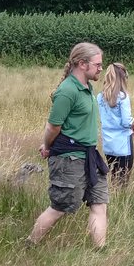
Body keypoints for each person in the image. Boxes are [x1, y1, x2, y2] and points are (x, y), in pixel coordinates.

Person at [29, 43, 109, 248]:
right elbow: (53, 126)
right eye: (97, 64)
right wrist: (46, 146)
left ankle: (100, 251)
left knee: (99, 204)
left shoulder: (87, 87)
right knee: (60, 207)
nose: (101, 68)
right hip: (69, 159)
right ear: (82, 64)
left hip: (90, 156)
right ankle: (30, 245)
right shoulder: (67, 91)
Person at [97, 62, 134, 186]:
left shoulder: (100, 97)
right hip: (123, 144)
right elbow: (126, 122)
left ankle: (113, 199)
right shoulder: (123, 97)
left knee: (113, 175)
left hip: (108, 142)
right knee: (124, 177)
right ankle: (121, 200)